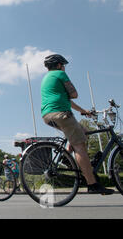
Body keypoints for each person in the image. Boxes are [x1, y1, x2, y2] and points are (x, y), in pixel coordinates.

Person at [41, 54, 113, 195]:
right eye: (63, 65)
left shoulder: (47, 78)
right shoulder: (60, 74)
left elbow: (68, 101)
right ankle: (92, 184)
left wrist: (83, 111)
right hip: (61, 114)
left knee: (83, 131)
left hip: (48, 115)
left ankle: (67, 156)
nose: (64, 68)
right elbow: (74, 94)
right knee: (80, 145)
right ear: (58, 65)